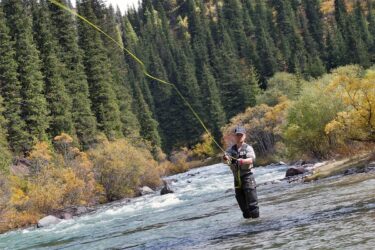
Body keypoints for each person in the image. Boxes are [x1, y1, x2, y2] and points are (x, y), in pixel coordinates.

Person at [223, 126, 259, 219]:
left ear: (244, 136)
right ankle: (248, 227)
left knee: (252, 205)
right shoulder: (230, 150)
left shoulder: (248, 148)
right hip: (237, 179)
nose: (239, 136)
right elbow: (226, 161)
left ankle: (258, 225)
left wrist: (242, 161)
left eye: (241, 135)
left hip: (247, 177)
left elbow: (251, 159)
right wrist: (226, 158)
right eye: (237, 135)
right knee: (243, 207)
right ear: (234, 137)